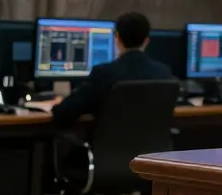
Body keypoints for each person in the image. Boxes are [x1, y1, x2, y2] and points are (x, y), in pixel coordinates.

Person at [46, 12, 174, 126]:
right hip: (153, 151)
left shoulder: (103, 73)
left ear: (117, 38)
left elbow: (62, 113)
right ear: (146, 41)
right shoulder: (164, 73)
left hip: (110, 151)